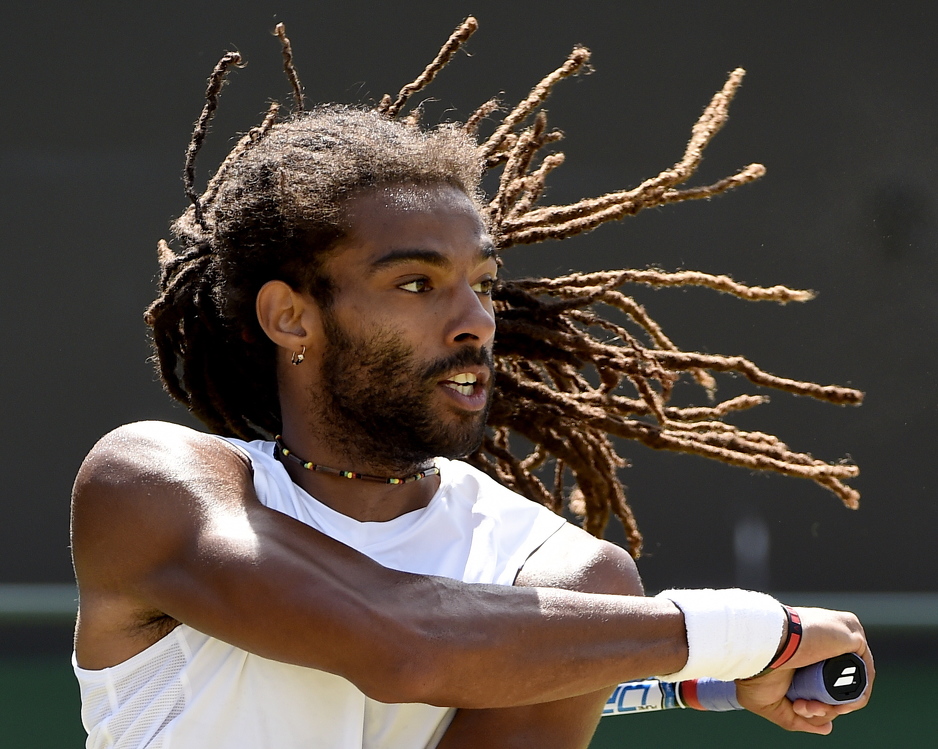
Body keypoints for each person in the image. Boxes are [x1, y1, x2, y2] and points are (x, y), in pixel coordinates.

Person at [70, 19, 872, 749]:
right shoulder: (145, 486)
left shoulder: (562, 578)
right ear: (291, 317)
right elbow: (402, 644)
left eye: (483, 284)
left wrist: (675, 652)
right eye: (416, 283)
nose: (476, 322)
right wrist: (745, 635)